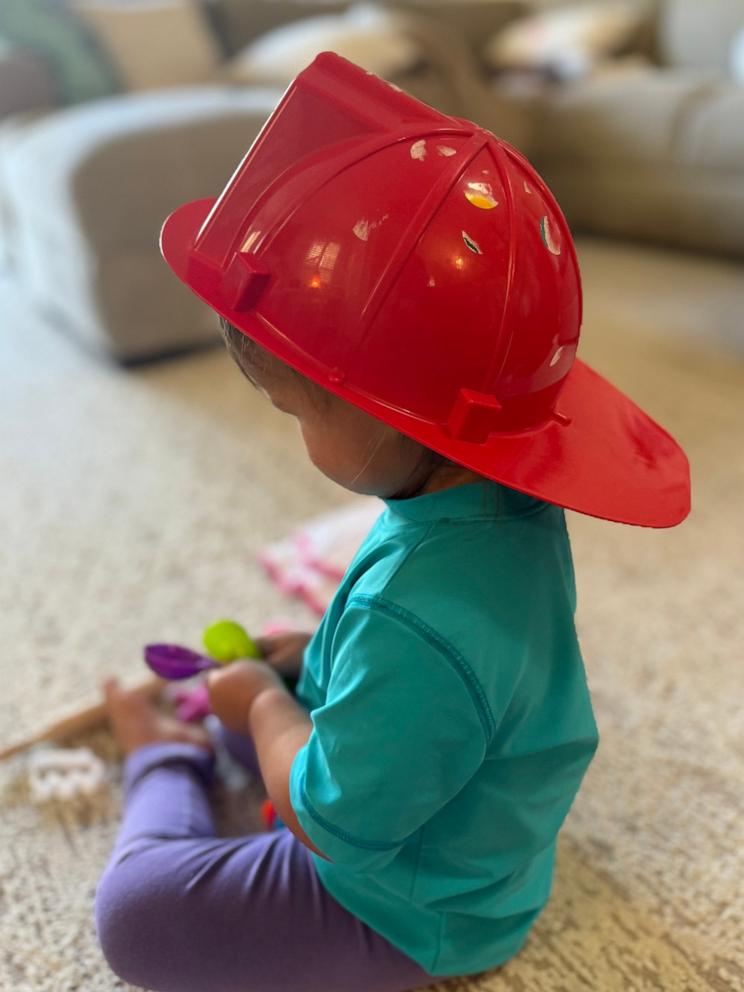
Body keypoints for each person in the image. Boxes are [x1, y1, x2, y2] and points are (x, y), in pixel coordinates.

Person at [93, 52, 691, 992]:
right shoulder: (495, 500)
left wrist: (261, 704)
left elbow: (335, 820)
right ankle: (242, 728)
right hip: (453, 843)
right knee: (264, 709)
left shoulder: (417, 618)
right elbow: (442, 662)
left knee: (137, 918)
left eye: (302, 413)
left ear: (392, 410)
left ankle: (161, 760)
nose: (295, 437)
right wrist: (313, 656)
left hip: (406, 911)